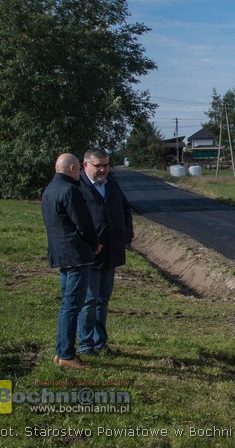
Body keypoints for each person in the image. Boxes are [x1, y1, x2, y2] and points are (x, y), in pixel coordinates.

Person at [41, 153, 100, 368]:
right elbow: (84, 223)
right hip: (76, 254)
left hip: (60, 253)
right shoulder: (70, 190)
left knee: (67, 304)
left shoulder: (50, 189)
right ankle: (66, 354)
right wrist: (95, 244)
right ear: (73, 168)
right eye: (79, 169)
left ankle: (61, 351)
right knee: (73, 306)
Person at [77, 148, 134, 357]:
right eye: (98, 166)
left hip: (111, 253)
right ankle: (85, 344)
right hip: (89, 255)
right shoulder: (78, 188)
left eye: (106, 165)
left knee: (102, 300)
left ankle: (100, 342)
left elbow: (126, 210)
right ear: (85, 165)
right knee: (89, 301)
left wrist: (126, 234)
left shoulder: (112, 186)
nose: (103, 170)